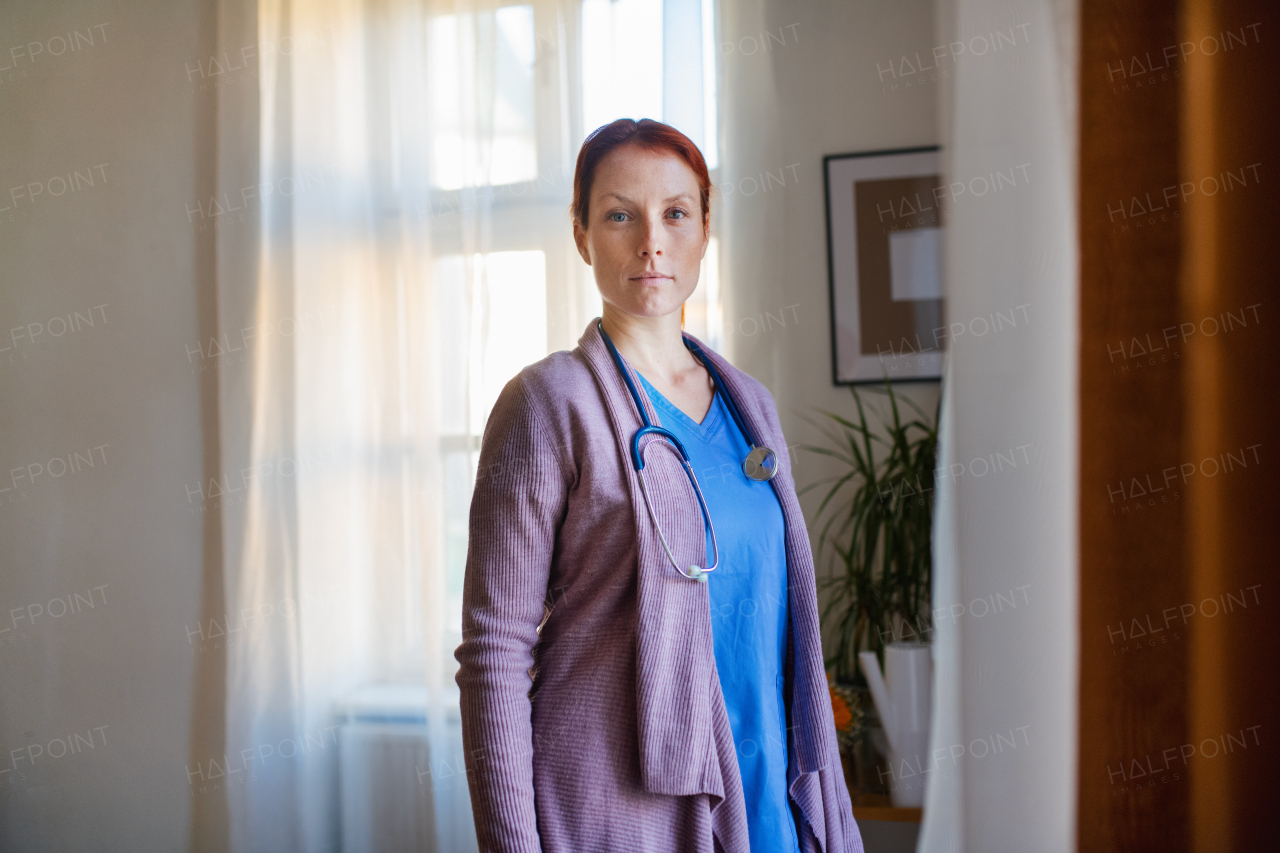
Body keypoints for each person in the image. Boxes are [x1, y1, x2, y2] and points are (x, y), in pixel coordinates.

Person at [455, 118, 863, 853]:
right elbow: (494, 651)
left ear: (706, 228)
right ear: (581, 233)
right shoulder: (548, 404)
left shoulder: (751, 407)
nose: (651, 241)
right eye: (619, 214)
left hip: (768, 789)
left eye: (675, 212)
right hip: (616, 809)